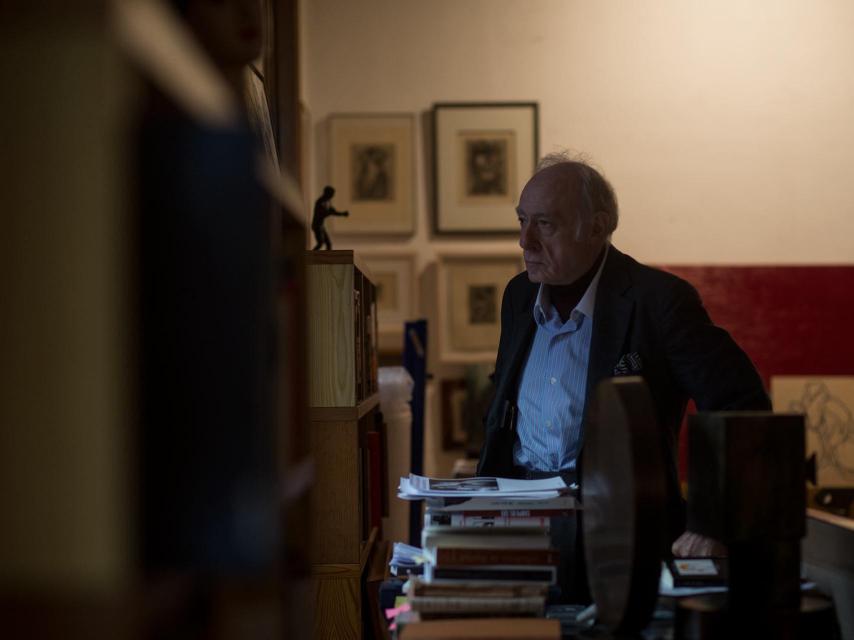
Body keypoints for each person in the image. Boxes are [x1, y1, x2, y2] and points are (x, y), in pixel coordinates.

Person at [476, 153, 771, 599]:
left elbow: (742, 405)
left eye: (545, 224)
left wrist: (713, 523)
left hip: (625, 537)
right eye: (521, 221)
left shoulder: (659, 302)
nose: (525, 241)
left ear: (598, 226)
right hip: (520, 532)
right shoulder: (518, 297)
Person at [311, 186, 349, 250]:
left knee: (328, 243)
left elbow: (333, 211)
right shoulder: (320, 202)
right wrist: (329, 213)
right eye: (331, 194)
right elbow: (321, 214)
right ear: (327, 193)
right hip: (317, 225)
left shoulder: (327, 202)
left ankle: (328, 257)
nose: (333, 195)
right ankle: (311, 257)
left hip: (321, 225)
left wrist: (342, 214)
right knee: (320, 243)